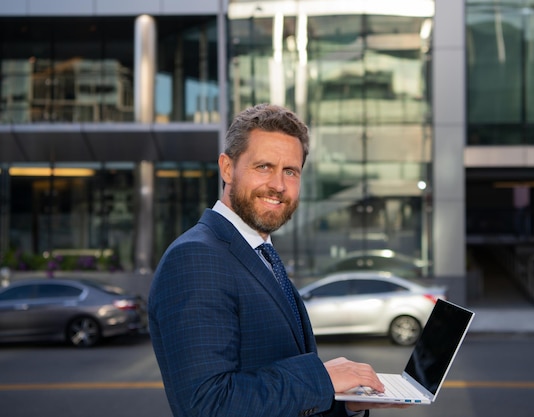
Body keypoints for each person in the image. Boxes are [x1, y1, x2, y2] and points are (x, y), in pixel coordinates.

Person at [149, 103, 411, 417]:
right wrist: (322, 379)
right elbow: (207, 404)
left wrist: (345, 402)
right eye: (264, 167)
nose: (278, 185)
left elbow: (285, 398)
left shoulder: (260, 253)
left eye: (290, 171)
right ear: (227, 168)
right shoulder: (196, 257)